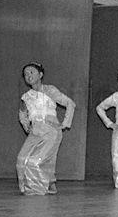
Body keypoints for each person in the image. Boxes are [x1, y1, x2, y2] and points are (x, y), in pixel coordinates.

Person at [16, 62, 75, 195]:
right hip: (35, 131)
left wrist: (65, 123)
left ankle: (36, 189)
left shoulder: (50, 90)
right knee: (21, 159)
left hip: (51, 130)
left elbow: (70, 103)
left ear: (40, 74)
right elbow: (22, 114)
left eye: (32, 72)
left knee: (37, 160)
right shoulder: (26, 97)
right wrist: (27, 126)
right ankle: (35, 185)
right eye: (26, 74)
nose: (28, 75)